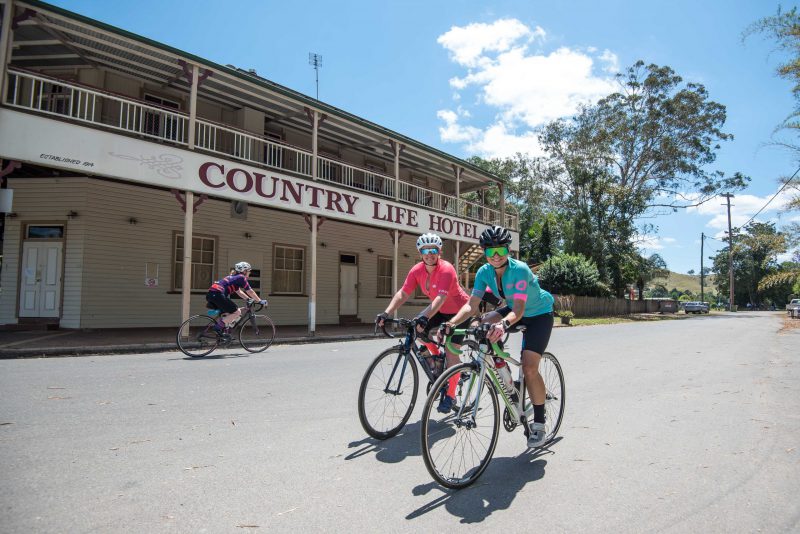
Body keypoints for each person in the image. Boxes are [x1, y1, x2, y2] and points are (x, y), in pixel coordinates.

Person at [438, 225, 555, 448]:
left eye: (501, 250)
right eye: (491, 252)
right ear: (485, 253)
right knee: (483, 323)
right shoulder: (483, 272)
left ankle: (539, 423)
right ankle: (506, 375)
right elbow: (471, 305)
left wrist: (503, 324)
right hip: (512, 310)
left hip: (538, 314)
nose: (497, 256)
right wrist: (451, 323)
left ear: (508, 250)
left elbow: (519, 309)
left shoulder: (519, 269)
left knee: (530, 367)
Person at [375, 233, 472, 413]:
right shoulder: (417, 270)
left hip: (459, 311)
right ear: (420, 252)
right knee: (416, 329)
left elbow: (441, 298)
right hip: (440, 310)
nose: (430, 254)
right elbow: (403, 293)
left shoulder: (446, 269)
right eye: (425, 251)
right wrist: (386, 312)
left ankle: (451, 396)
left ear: (439, 251)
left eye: (433, 250)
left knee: (451, 353)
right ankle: (435, 358)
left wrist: (425, 316)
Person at [206, 261, 267, 341]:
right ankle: (217, 328)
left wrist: (249, 299)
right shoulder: (241, 277)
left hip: (211, 294)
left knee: (230, 313)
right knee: (237, 312)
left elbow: (239, 292)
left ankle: (224, 333)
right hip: (218, 294)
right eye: (249, 271)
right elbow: (250, 291)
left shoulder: (234, 277)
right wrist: (260, 301)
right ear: (244, 271)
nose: (249, 273)